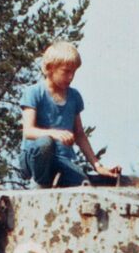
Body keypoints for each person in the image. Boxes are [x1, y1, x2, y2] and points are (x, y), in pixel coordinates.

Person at [18, 42, 118, 187]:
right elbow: (28, 131)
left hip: (60, 159)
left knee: (84, 184)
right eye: (66, 72)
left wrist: (97, 165)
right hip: (35, 158)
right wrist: (55, 134)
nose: (71, 77)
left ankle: (57, 180)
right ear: (49, 69)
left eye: (74, 72)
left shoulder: (74, 96)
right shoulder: (34, 92)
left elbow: (80, 134)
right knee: (45, 142)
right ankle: (41, 183)